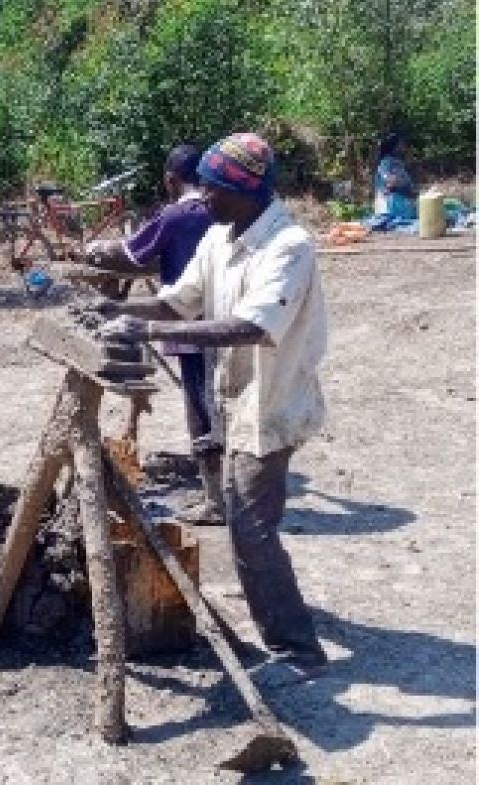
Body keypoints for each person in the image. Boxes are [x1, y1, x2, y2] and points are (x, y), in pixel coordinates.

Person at [97, 132, 329, 681]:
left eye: (213, 190)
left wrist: (146, 328)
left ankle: (299, 651)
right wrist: (116, 308)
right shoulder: (221, 235)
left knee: (251, 527)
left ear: (243, 191)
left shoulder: (288, 246)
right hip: (233, 399)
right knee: (243, 521)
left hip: (271, 403)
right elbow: (180, 301)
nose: (202, 200)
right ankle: (279, 624)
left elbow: (253, 325)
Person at [86, 145, 220, 524]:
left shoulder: (176, 215)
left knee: (199, 404)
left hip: (188, 321)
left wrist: (93, 251)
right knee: (223, 399)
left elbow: (131, 255)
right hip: (230, 321)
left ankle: (214, 501)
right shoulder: (223, 209)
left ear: (171, 179)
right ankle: (226, 484)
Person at [373, 132, 418, 220]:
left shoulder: (396, 162)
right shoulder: (386, 162)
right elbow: (390, 182)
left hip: (399, 201)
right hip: (389, 205)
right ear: (394, 146)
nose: (404, 146)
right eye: (401, 144)